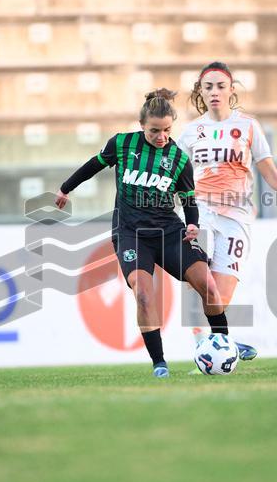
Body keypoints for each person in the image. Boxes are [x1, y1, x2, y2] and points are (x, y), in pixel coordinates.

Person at [55, 89, 231, 378]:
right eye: (154, 131)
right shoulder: (122, 144)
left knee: (208, 286)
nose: (161, 136)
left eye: (166, 130)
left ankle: (224, 344)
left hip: (169, 231)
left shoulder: (178, 158)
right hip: (130, 233)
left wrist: (192, 223)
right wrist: (65, 188)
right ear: (141, 126)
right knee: (144, 294)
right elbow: (92, 166)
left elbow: (188, 199)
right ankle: (159, 362)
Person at [176, 61, 277, 360]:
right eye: (208, 87)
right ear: (201, 92)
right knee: (197, 281)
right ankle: (205, 346)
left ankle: (220, 342)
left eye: (221, 86)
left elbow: (267, 169)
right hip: (201, 213)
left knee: (219, 292)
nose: (215, 92)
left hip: (237, 217)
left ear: (231, 90)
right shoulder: (192, 131)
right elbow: (175, 173)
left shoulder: (247, 126)